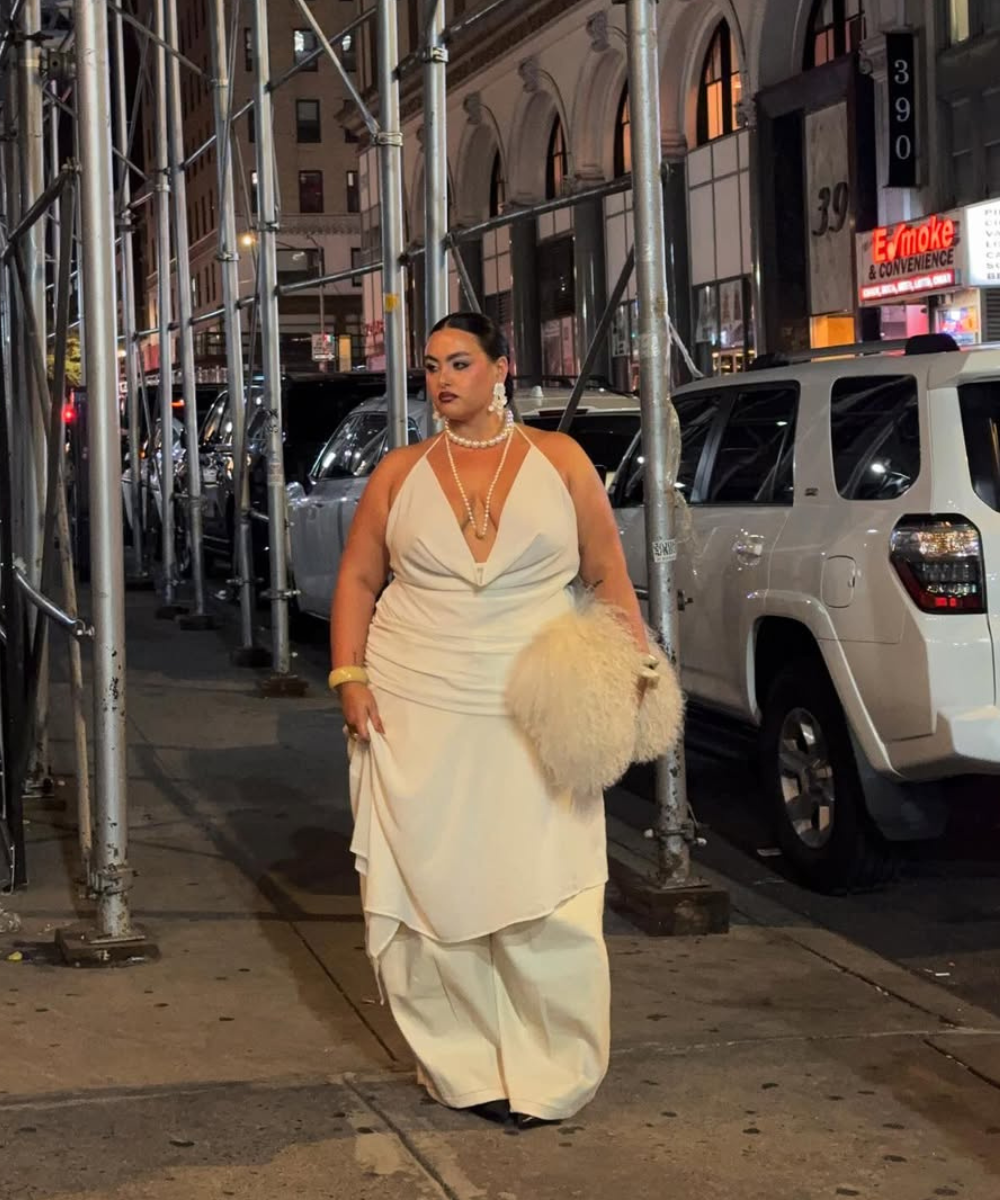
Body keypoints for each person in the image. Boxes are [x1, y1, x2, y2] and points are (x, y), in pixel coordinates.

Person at [329, 312, 649, 1129]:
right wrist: (349, 677)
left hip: (537, 706)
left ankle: (554, 1072)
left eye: (460, 363)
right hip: (415, 702)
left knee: (549, 890)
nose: (442, 379)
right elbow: (360, 580)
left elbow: (609, 575)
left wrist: (638, 669)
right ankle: (464, 1066)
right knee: (430, 894)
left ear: (502, 368)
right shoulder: (399, 472)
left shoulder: (561, 458)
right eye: (432, 366)